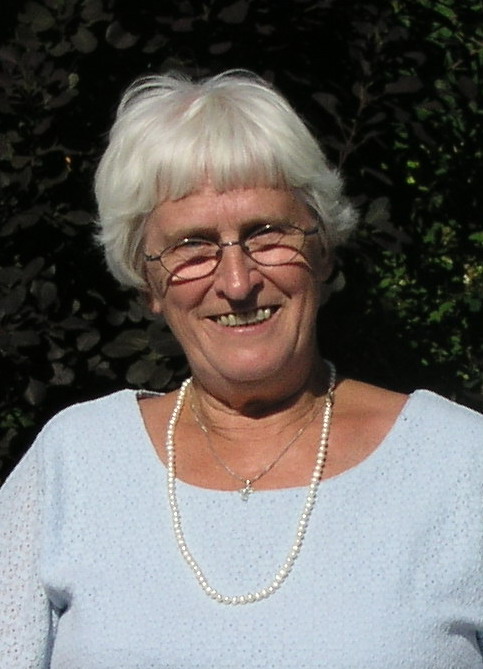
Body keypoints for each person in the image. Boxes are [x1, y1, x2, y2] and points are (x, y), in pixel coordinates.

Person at [1, 69, 482, 669]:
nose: (237, 281)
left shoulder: (458, 464)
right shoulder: (75, 462)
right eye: (192, 245)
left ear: (322, 249)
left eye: (267, 233)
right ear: (147, 282)